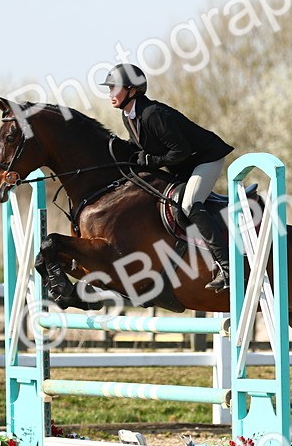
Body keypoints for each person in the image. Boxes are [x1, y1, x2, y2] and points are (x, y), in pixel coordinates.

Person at [100, 63, 235, 291]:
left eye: (115, 88)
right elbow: (139, 145)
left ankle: (228, 267)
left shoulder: (153, 114)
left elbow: (180, 150)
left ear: (133, 90)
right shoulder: (129, 114)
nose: (110, 93)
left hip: (205, 159)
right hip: (184, 165)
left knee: (190, 203)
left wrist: (151, 161)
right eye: (110, 88)